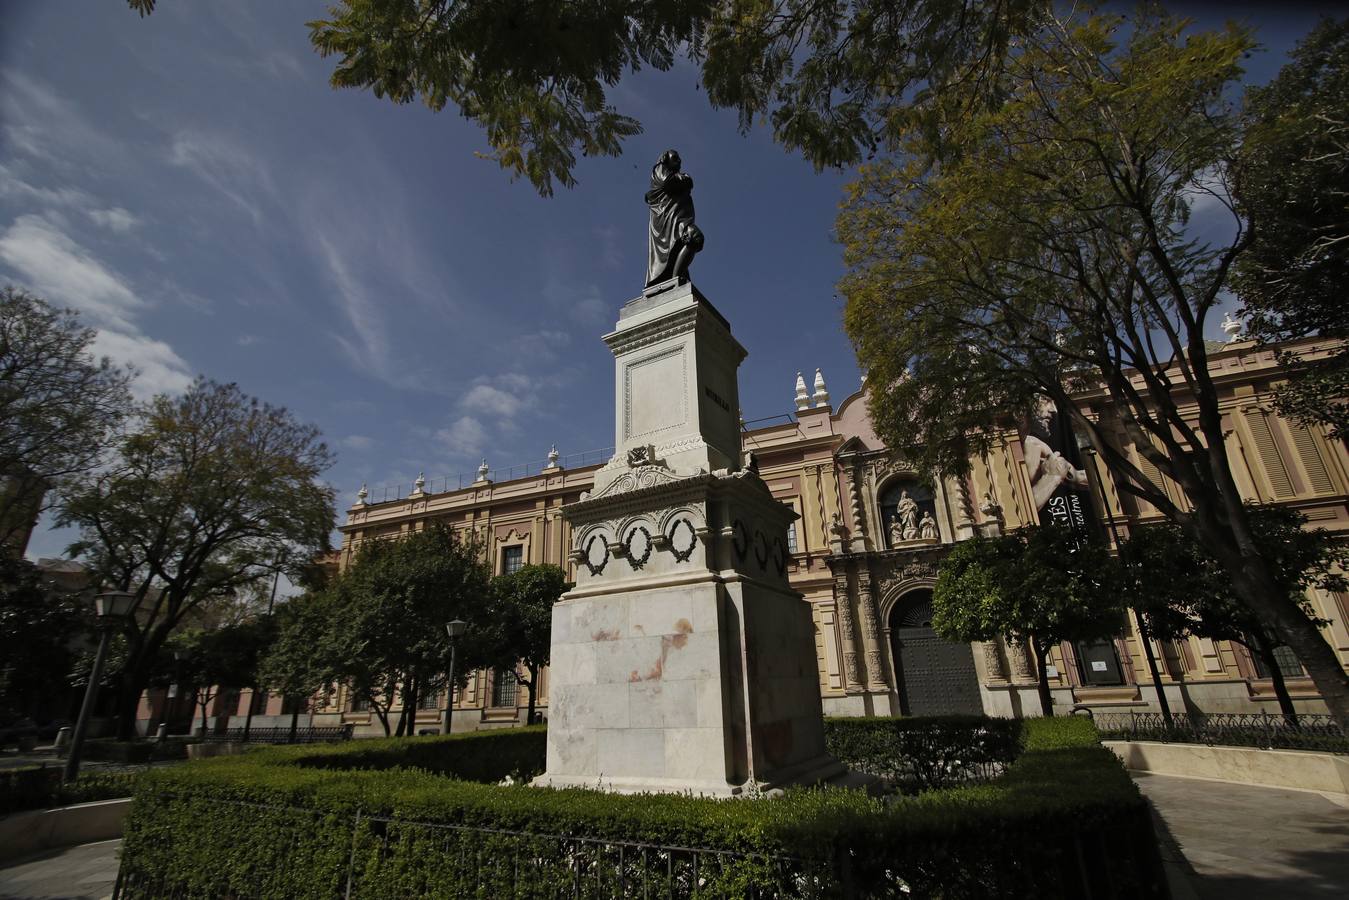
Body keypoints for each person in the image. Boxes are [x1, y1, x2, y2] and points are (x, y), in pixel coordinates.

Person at [645, 150, 704, 286]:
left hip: (677, 221)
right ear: (665, 159)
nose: (679, 161)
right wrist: (685, 178)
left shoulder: (674, 174)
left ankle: (676, 279)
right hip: (668, 223)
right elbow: (668, 183)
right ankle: (676, 280)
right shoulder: (660, 169)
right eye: (675, 158)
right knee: (695, 236)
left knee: (691, 241)